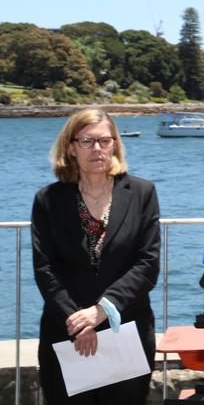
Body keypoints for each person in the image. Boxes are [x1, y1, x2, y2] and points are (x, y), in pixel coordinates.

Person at [31, 108, 161, 404]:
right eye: (87, 141)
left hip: (126, 331)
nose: (97, 149)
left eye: (105, 140)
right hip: (66, 333)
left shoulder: (142, 193)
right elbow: (45, 268)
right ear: (71, 147)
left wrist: (102, 310)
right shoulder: (48, 200)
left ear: (115, 144)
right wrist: (78, 320)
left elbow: (147, 264)